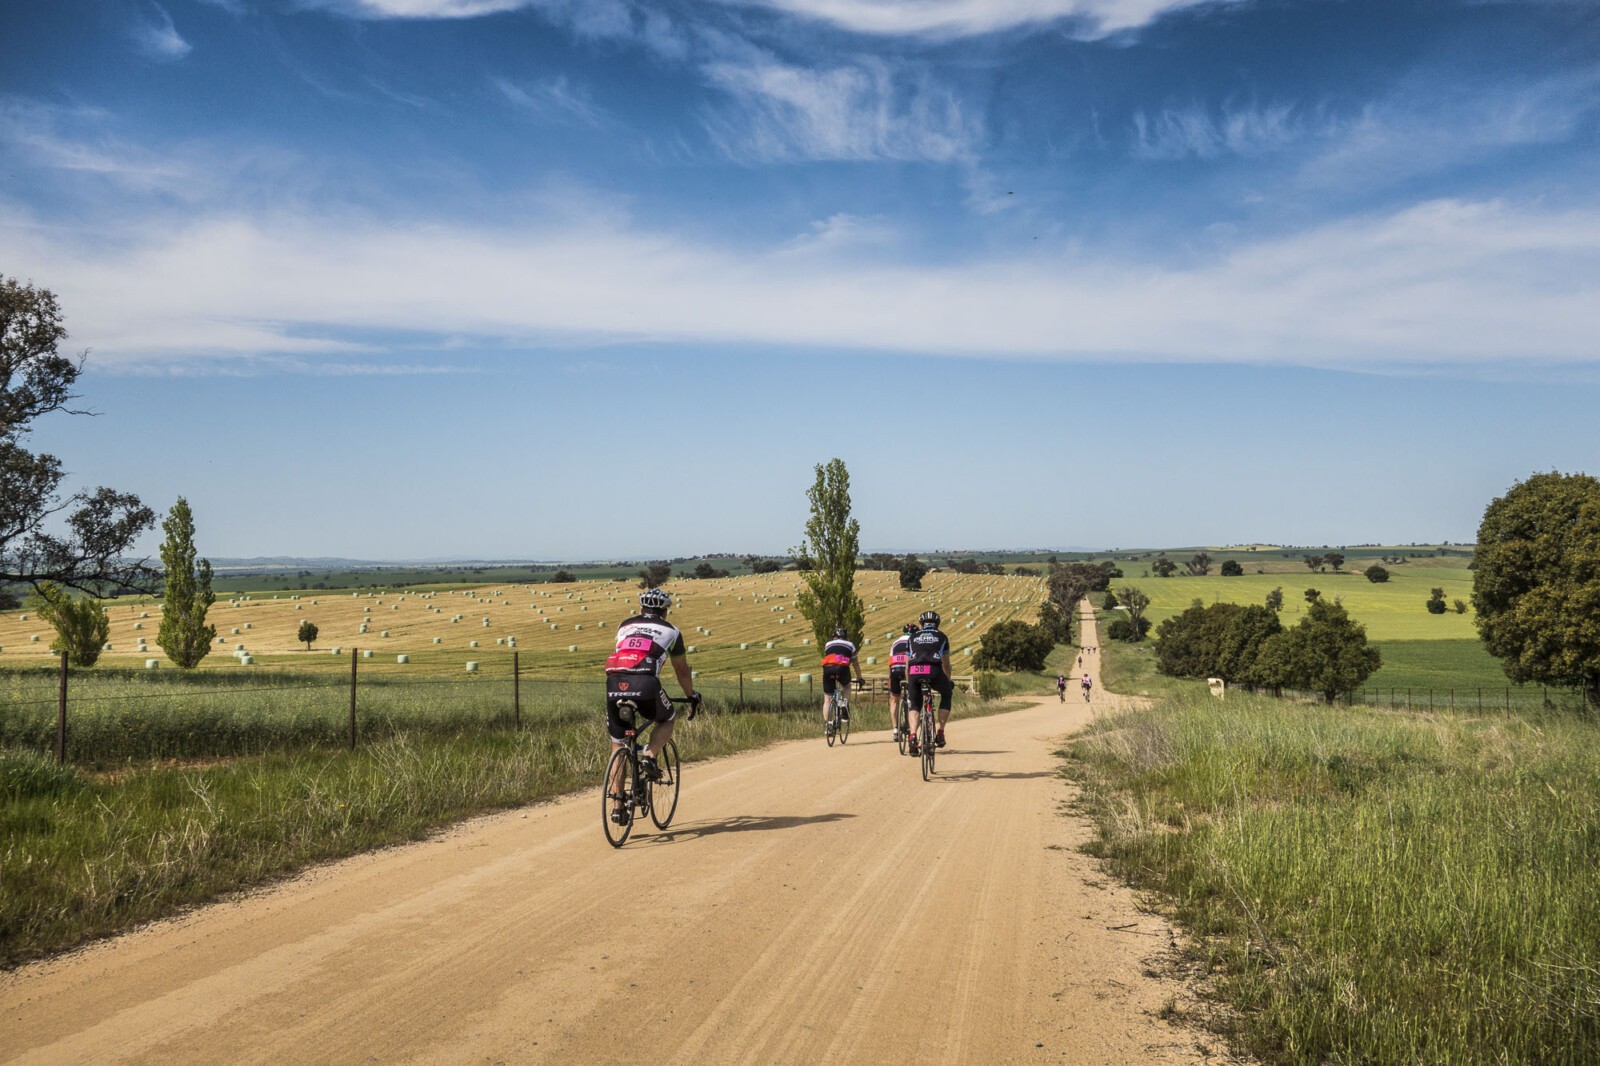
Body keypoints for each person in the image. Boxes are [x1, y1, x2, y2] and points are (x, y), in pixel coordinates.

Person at [603, 587, 700, 824]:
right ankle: (649, 754)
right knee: (666, 718)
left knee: (618, 743)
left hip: (614, 683)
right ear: (665, 612)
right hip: (646, 684)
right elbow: (682, 670)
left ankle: (617, 805)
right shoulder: (672, 631)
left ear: (640, 609)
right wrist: (691, 695)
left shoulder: (624, 625)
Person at [906, 610, 954, 754]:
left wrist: (909, 683)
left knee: (914, 705)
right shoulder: (942, 636)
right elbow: (946, 664)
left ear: (921, 624)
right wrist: (948, 680)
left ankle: (913, 736)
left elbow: (908, 665)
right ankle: (940, 732)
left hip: (914, 671)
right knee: (946, 694)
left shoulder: (912, 637)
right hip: (934, 670)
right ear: (937, 624)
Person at [820, 625, 865, 737]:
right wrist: (860, 678)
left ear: (834, 637)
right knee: (846, 686)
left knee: (827, 699)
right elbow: (855, 664)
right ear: (845, 637)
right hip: (842, 668)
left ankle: (828, 726)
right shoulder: (850, 645)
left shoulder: (828, 644)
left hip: (828, 669)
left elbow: (828, 656)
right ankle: (843, 703)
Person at [887, 623, 917, 741]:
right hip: (908, 670)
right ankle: (912, 727)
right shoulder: (915, 640)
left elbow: (890, 661)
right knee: (913, 698)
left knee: (894, 700)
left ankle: (895, 730)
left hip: (895, 670)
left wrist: (891, 676)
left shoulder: (895, 642)